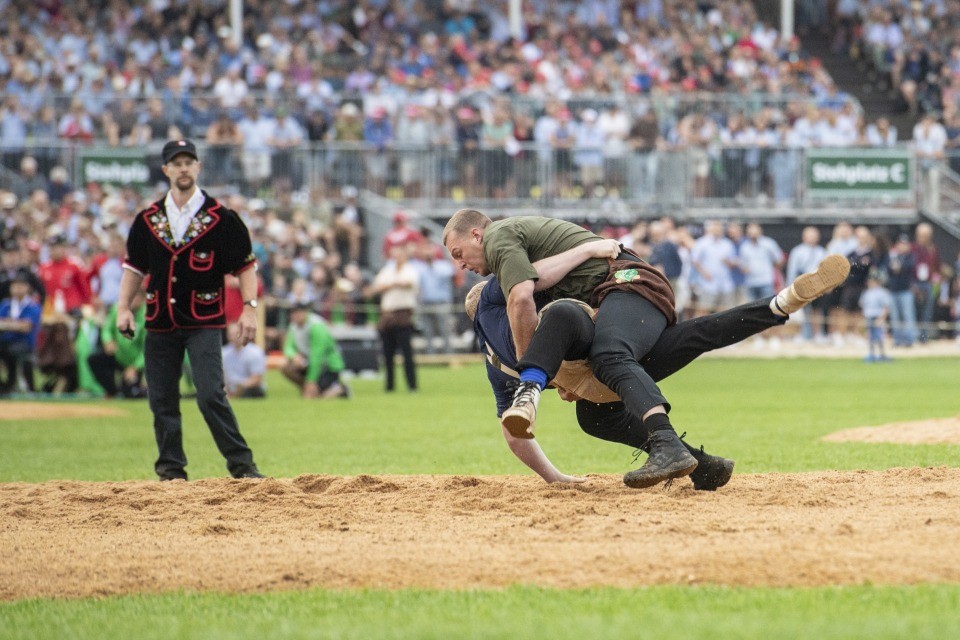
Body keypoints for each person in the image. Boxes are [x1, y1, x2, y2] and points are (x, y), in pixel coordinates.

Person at [443, 209, 850, 488]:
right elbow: (535, 290)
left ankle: (666, 442)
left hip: (627, 281)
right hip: (623, 304)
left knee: (609, 355)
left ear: (477, 234)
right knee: (601, 410)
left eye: (460, 253)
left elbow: (522, 294)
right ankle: (780, 305)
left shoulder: (500, 249)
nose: (461, 265)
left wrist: (538, 380)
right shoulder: (507, 310)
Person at [116, 139, 265, 481]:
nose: (183, 168)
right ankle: (171, 470)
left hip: (203, 320)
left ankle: (242, 466)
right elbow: (134, 268)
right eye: (176, 162)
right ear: (166, 169)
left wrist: (249, 309)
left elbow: (245, 266)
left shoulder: (221, 218)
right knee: (162, 399)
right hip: (159, 320)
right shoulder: (148, 219)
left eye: (189, 162)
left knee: (211, 393)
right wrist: (123, 307)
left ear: (198, 167)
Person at [372, 244, 419, 392]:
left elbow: (408, 282)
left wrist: (390, 284)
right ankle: (389, 386)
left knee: (407, 353)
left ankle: (412, 385)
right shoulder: (387, 269)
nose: (397, 257)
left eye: (399, 254)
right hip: (387, 315)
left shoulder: (410, 269)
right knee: (387, 354)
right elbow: (378, 287)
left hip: (403, 315)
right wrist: (394, 283)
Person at [281, 303, 348, 399]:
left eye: (297, 313)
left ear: (305, 313)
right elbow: (288, 347)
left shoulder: (316, 326)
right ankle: (307, 388)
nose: (294, 316)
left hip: (328, 366)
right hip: (308, 362)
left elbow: (317, 356)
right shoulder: (293, 326)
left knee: (316, 397)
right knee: (286, 367)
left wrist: (311, 381)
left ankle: (340, 389)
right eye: (292, 314)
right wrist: (294, 356)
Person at [88, 289, 147, 398]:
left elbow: (147, 348)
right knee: (94, 360)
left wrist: (135, 367)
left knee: (131, 394)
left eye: (136, 298)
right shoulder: (118, 310)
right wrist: (108, 341)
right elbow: (107, 328)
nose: (133, 301)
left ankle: (142, 389)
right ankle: (111, 390)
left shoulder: (146, 317)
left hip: (135, 361)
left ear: (142, 299)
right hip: (118, 355)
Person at [0, 273, 41, 393]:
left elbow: (26, 327)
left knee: (11, 352)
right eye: (15, 286)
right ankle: (5, 385)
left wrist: (7, 323)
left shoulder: (32, 305)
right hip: (5, 341)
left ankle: (14, 384)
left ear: (27, 288)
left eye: (21, 285)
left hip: (24, 343)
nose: (17, 288)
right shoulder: (5, 305)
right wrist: (16, 324)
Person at [222, 321, 267, 398]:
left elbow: (257, 379)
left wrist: (239, 387)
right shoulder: (223, 353)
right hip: (230, 387)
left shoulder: (255, 352)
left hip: (248, 387)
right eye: (231, 335)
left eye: (236, 334)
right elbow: (222, 376)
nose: (233, 337)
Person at [860, 270, 893, 363]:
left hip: (878, 317)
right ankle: (871, 354)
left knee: (879, 337)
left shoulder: (882, 292)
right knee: (870, 337)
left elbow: (886, 307)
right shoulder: (866, 293)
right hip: (869, 317)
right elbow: (863, 307)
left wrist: (881, 319)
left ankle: (881, 354)